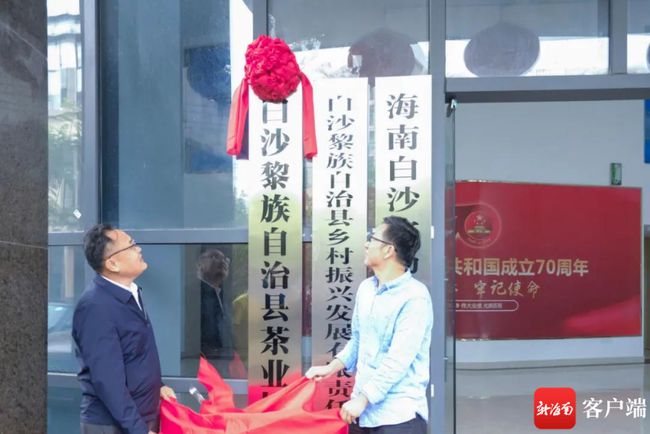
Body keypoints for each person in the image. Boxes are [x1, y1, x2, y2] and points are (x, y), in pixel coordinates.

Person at [306, 216, 433, 434]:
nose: (366, 244)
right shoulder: (366, 289)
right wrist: (330, 368)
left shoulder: (415, 297)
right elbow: (358, 339)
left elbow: (398, 360)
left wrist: (364, 399)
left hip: (398, 418)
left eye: (372, 239)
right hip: (362, 415)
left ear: (388, 250)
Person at [72, 224, 176, 434]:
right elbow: (107, 381)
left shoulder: (130, 294)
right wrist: (139, 430)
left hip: (138, 418)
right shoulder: (95, 306)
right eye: (131, 245)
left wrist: (158, 386)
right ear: (113, 263)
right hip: (113, 425)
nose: (138, 249)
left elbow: (136, 354)